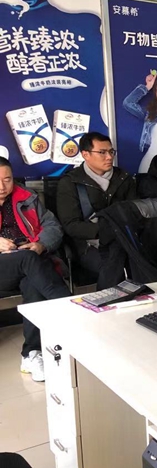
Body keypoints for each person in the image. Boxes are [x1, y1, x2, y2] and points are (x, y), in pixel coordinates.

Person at [0, 157, 71, 382]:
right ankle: (72, 310)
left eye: (7, 179)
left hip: (28, 262)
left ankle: (31, 353)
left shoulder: (26, 197)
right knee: (29, 260)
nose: (2, 186)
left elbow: (52, 226)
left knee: (33, 284)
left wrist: (41, 244)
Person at [56, 132, 137, 276]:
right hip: (88, 245)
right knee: (113, 268)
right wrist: (107, 231)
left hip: (124, 240)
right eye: (102, 152)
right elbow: (71, 225)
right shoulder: (70, 182)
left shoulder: (124, 178)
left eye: (111, 152)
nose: (109, 157)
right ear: (85, 154)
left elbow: (135, 212)